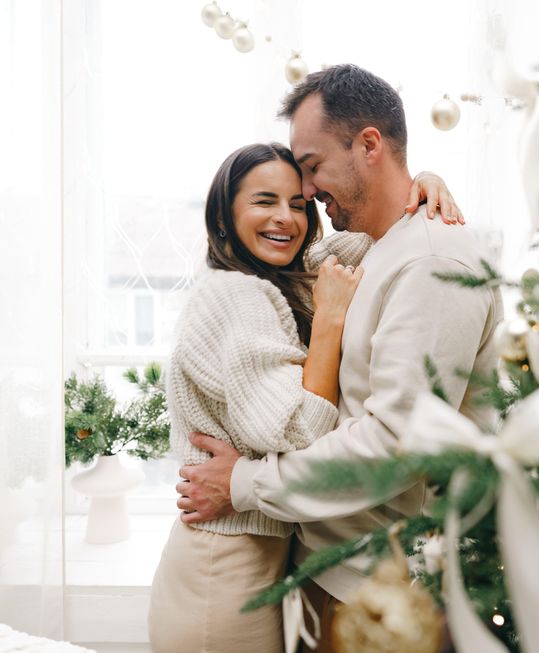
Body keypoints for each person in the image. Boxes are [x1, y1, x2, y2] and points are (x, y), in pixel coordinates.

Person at [176, 64, 503, 651]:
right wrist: (422, 180)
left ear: (369, 146)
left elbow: (397, 445)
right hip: (331, 570)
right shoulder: (379, 247)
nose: (305, 193)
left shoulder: (430, 261)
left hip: (383, 593)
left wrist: (246, 483)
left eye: (311, 167)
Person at [147, 141, 461, 653]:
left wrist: (420, 185)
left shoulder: (284, 274)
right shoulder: (236, 295)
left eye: (298, 203)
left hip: (256, 555)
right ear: (223, 216)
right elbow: (295, 430)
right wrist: (331, 318)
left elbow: (376, 233)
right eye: (264, 201)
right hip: (222, 564)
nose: (285, 218)